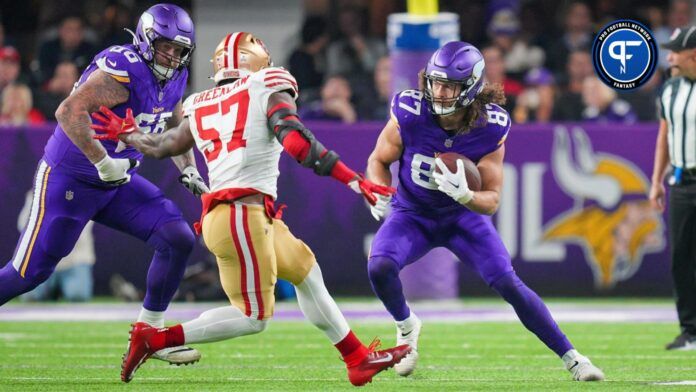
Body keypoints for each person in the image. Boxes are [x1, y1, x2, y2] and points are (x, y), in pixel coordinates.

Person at [91, 31, 410, 385]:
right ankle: (155, 339)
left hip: (243, 215)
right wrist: (353, 180)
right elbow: (296, 141)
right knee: (254, 316)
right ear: (259, 61)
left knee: (305, 269)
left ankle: (356, 358)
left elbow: (165, 144)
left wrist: (132, 135)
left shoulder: (199, 102)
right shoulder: (266, 83)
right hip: (240, 214)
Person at [364, 41, 605, 381]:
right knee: (379, 265)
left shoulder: (489, 126)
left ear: (471, 88)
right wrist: (376, 189)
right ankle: (406, 328)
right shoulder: (410, 111)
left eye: (449, 85)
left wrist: (465, 196)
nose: (439, 91)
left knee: (508, 282)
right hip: (412, 213)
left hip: (461, 218)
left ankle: (574, 358)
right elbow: (378, 160)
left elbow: (491, 200)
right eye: (435, 82)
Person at [0, 4, 204, 366]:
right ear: (145, 39)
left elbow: (175, 128)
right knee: (28, 274)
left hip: (117, 181)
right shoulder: (123, 69)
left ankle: (150, 335)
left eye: (179, 49)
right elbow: (68, 111)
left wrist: (188, 167)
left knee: (178, 237)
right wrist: (101, 160)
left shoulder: (174, 78)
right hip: (72, 178)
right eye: (165, 46)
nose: (171, 56)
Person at [649, 25, 696, 351]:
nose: (670, 57)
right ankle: (690, 329)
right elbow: (664, 136)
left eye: (675, 51)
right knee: (681, 257)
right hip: (681, 181)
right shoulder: (670, 90)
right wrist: (656, 181)